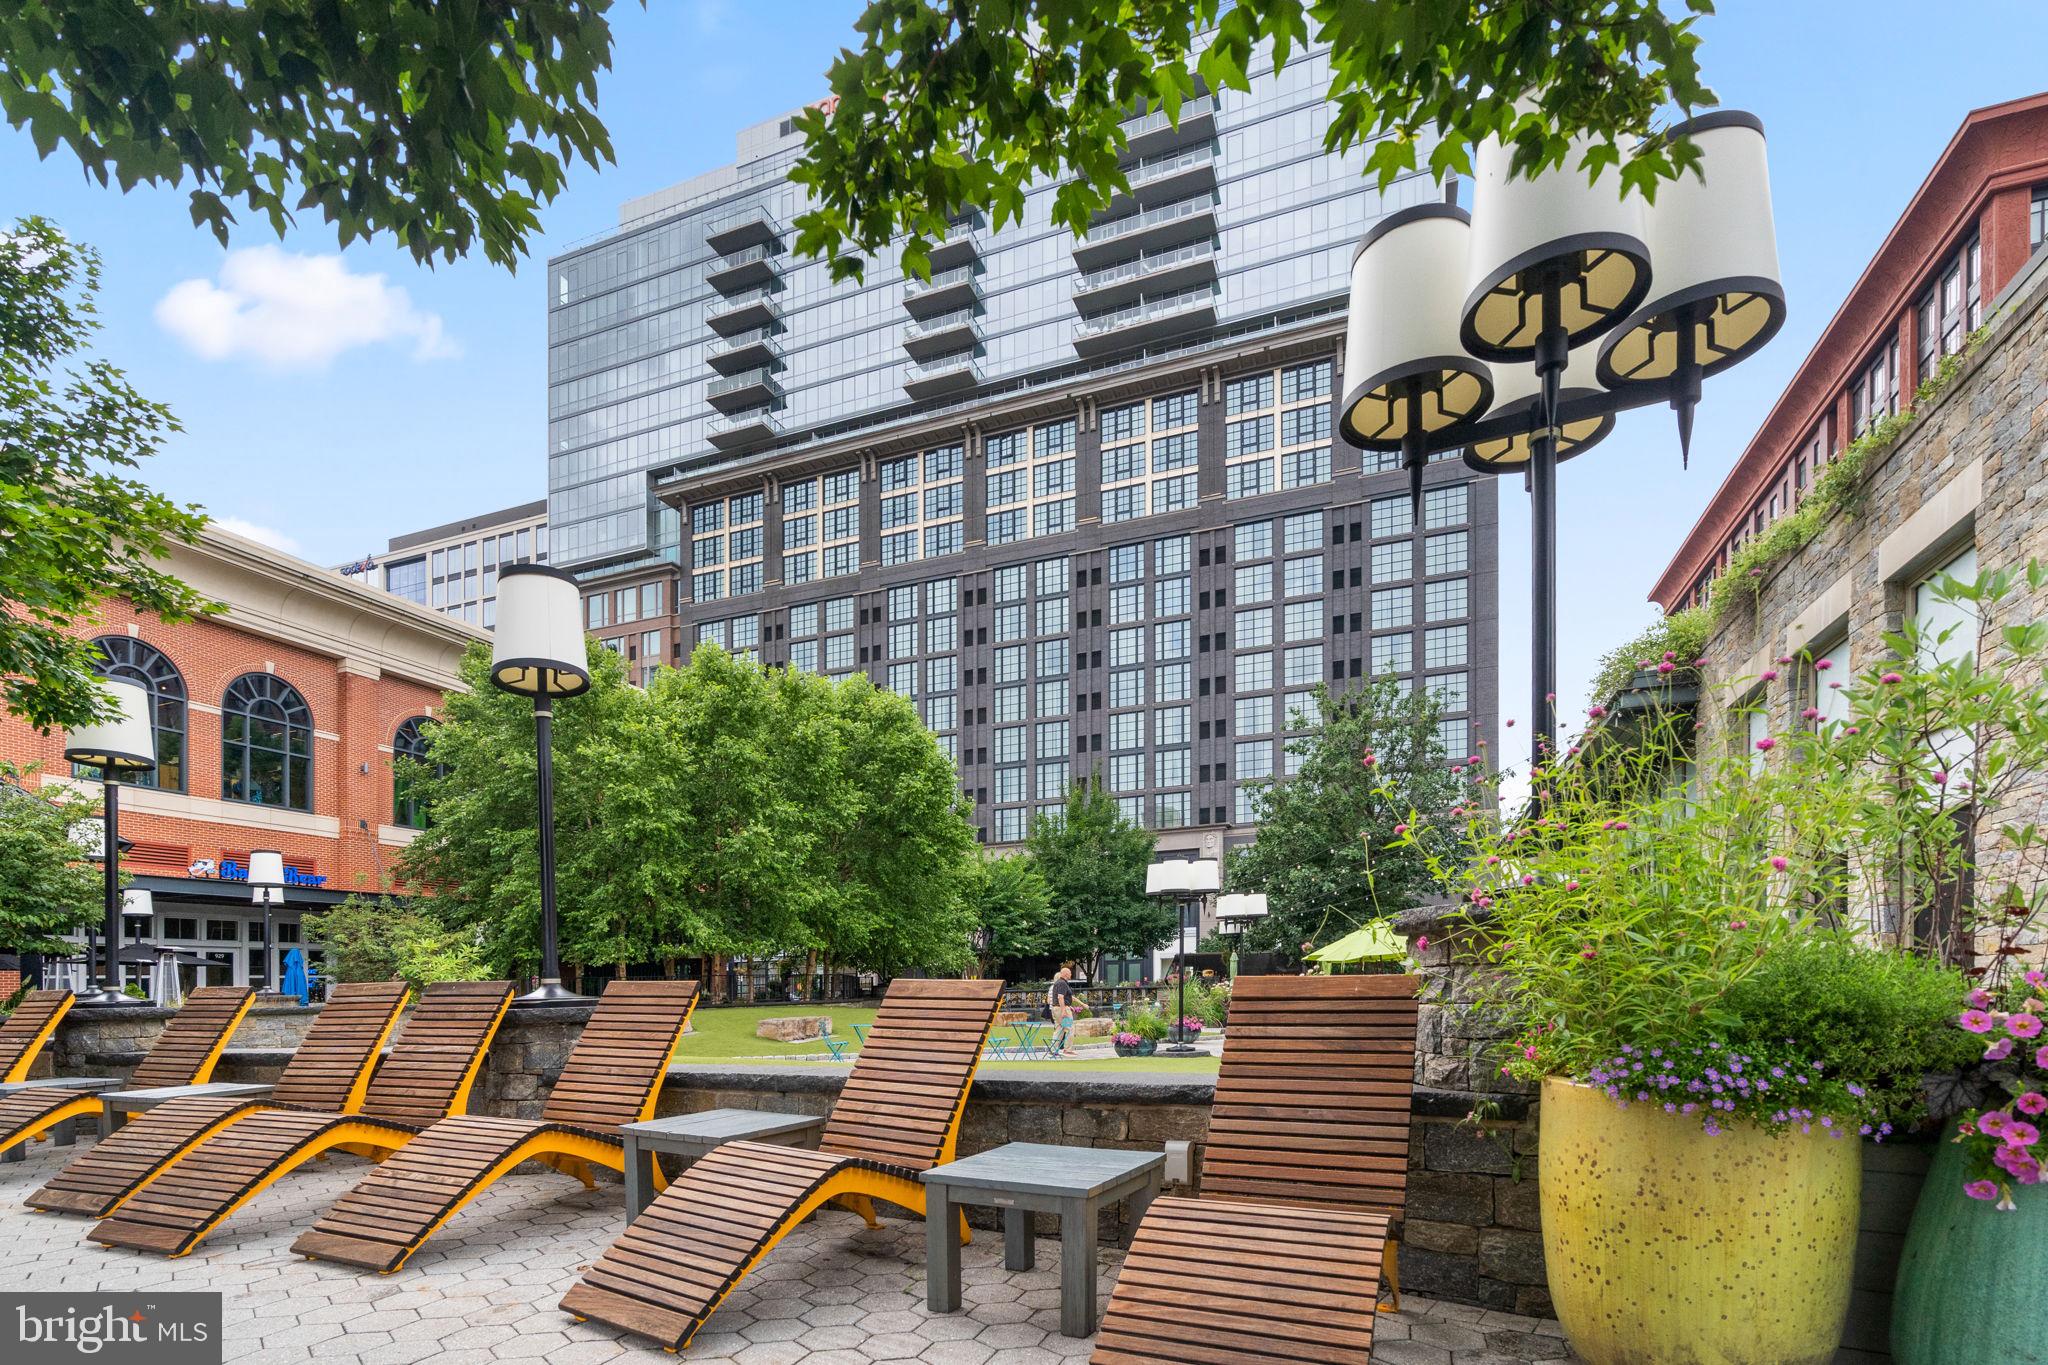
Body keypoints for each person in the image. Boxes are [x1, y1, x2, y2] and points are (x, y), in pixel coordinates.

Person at [1047, 963, 1081, 1058]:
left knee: (1059, 1029)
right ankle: (1067, 1050)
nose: (1071, 975)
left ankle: (1053, 1050)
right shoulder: (1062, 983)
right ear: (1065, 974)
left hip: (1056, 1008)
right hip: (1062, 1008)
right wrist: (1064, 1011)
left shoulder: (1058, 983)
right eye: (1070, 973)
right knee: (1069, 1028)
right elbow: (1060, 997)